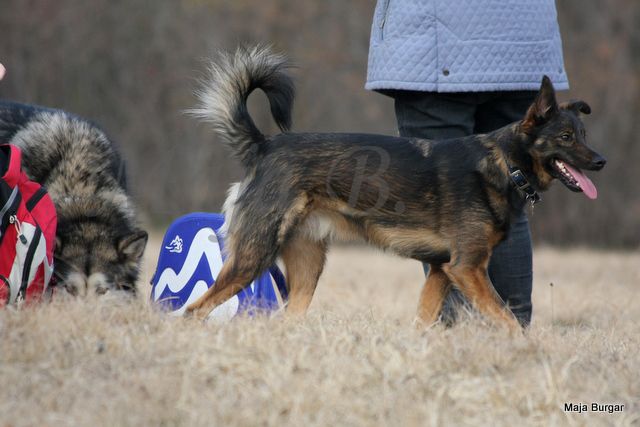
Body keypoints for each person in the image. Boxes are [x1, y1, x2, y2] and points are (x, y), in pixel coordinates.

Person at [366, 0, 569, 326]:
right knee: (509, 203)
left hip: (433, 54)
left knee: (440, 211)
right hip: (525, 48)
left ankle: (458, 337)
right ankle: (514, 335)